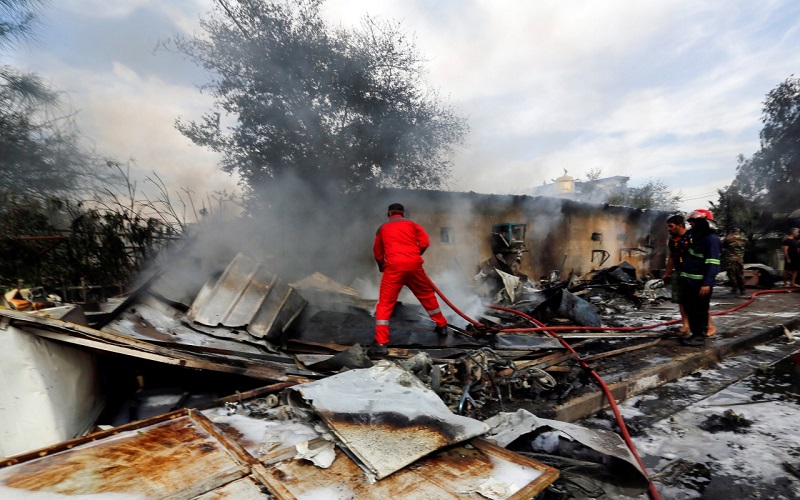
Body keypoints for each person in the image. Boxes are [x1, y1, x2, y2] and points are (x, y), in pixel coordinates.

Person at [369, 203, 448, 356]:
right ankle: (442, 325)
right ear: (403, 213)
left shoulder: (382, 229)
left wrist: (381, 266)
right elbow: (425, 242)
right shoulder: (413, 225)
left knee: (385, 304)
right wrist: (413, 256)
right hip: (414, 265)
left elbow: (377, 252)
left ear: (389, 213)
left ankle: (381, 343)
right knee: (426, 296)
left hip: (393, 268)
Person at [663, 214, 715, 336]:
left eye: (671, 226)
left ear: (680, 225)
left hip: (694, 275)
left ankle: (710, 327)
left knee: (700, 303)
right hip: (680, 273)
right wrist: (667, 273)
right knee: (682, 300)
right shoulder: (673, 241)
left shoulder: (692, 238)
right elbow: (671, 257)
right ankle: (686, 325)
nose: (669, 229)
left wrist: (706, 280)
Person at [678, 208, 721, 347]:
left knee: (700, 310)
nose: (692, 225)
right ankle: (695, 334)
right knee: (690, 309)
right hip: (689, 281)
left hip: (700, 283)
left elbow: (713, 263)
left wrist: (706, 283)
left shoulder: (711, 239)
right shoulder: (696, 238)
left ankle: (699, 337)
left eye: (694, 222)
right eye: (690, 222)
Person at [721, 226, 748, 297]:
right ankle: (743, 290)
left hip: (731, 259)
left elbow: (724, 245)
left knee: (731, 274)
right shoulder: (744, 238)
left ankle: (734, 288)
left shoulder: (729, 238)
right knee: (740, 274)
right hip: (740, 259)